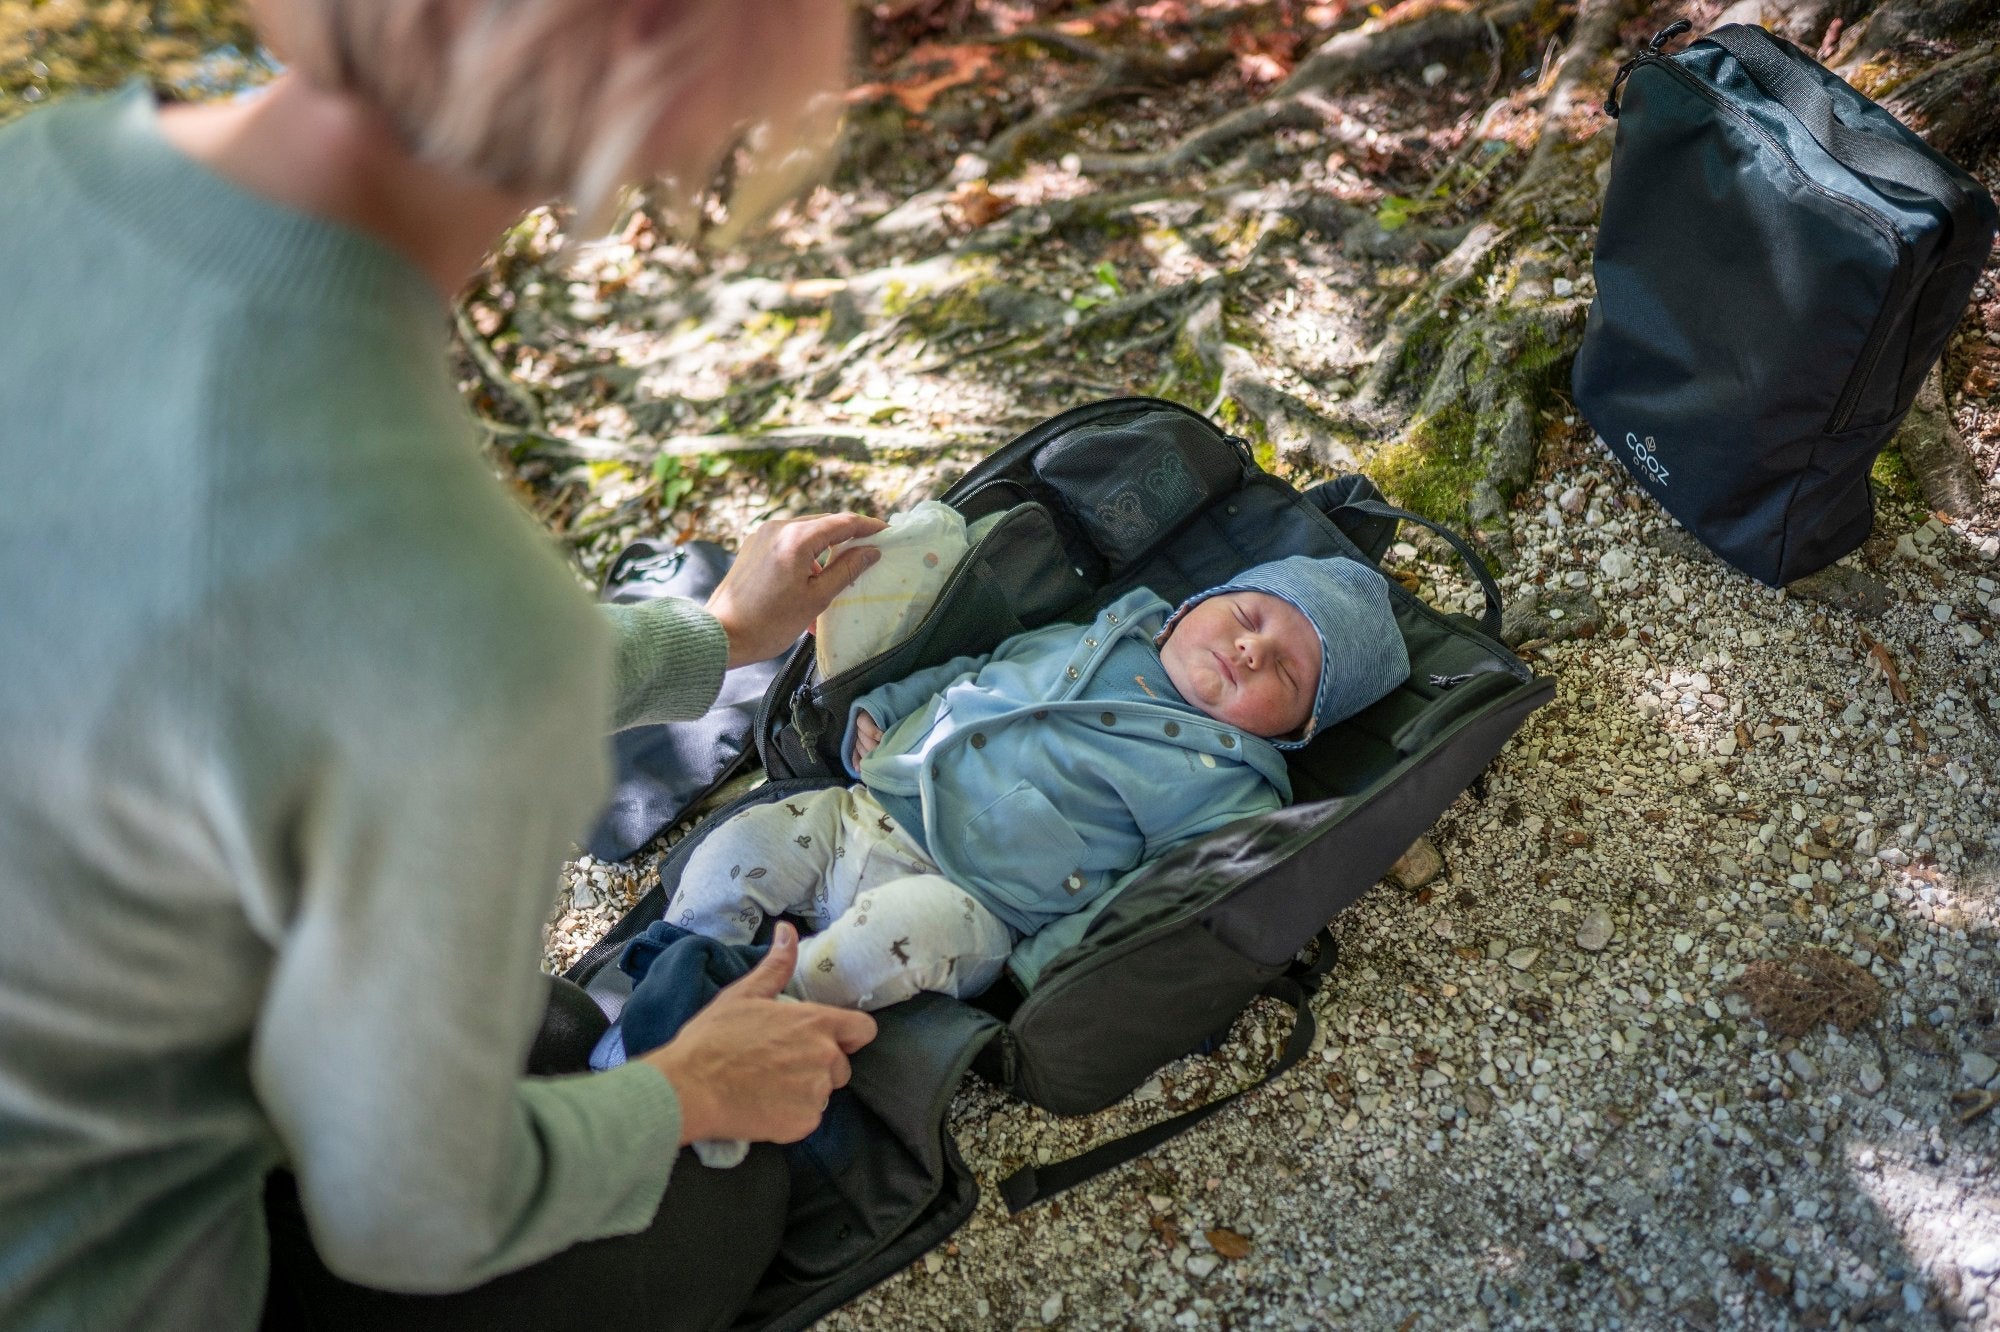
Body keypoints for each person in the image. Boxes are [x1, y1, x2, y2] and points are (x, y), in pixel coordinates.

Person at [0, 1, 884, 1329]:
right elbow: (407, 1212)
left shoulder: (42, 170)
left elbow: (314, 638)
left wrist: (720, 639)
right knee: (721, 1196)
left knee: (541, 1035)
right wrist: (692, 1088)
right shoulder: (456, 606)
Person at [667, 554, 1411, 1011]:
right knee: (742, 844)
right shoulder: (1098, 634)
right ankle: (676, 958)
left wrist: (1048, 962)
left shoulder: (1231, 790)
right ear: (1193, 606)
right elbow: (976, 671)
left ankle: (756, 1014)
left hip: (974, 902)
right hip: (868, 807)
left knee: (883, 944)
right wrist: (885, 710)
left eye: (1286, 673)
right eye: (1248, 616)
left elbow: (1150, 894)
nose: (1250, 650)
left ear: (1294, 730)